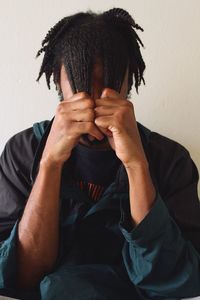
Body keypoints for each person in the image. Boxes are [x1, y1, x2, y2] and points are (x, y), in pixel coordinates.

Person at [0, 7, 200, 300]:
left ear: (128, 83)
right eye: (80, 84)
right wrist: (50, 164)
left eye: (108, 84)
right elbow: (22, 276)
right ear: (58, 81)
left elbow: (176, 281)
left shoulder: (169, 159)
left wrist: (136, 164)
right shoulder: (23, 152)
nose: (92, 101)